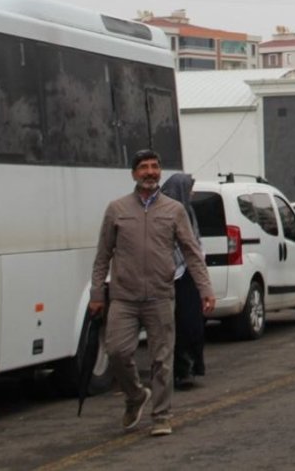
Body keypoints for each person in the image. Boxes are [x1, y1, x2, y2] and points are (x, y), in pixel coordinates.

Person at [90, 149, 215, 437]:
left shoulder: (174, 210)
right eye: (144, 167)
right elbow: (102, 256)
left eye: (154, 166)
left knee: (162, 359)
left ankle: (161, 416)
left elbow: (192, 253)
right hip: (124, 297)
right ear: (134, 174)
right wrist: (98, 293)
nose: (150, 172)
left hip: (160, 296)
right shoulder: (117, 210)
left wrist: (204, 289)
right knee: (117, 351)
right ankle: (136, 396)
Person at [161, 173, 206, 391]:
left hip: (189, 273)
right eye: (189, 189)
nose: (193, 193)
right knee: (176, 324)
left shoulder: (188, 211)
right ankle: (179, 370)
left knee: (192, 322)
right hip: (168, 275)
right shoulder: (163, 212)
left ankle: (191, 366)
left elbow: (194, 243)